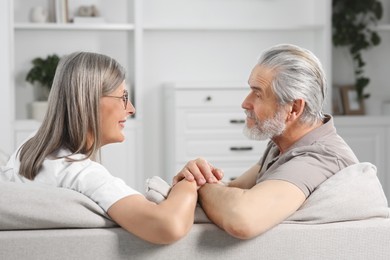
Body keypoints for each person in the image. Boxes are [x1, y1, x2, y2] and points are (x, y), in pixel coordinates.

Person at [0, 52, 197, 244]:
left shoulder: (29, 148)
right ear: (89, 101)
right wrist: (189, 181)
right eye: (123, 96)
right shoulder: (81, 174)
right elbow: (169, 226)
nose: (131, 108)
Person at [173, 44, 359, 239]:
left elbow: (242, 218)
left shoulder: (319, 157)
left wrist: (199, 185)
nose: (245, 103)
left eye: (258, 93)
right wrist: (198, 174)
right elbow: (235, 188)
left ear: (294, 108)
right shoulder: (284, 143)